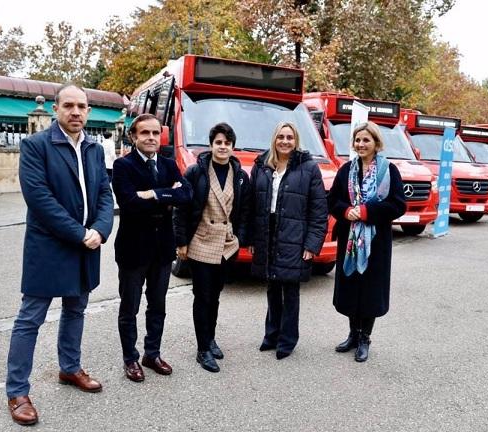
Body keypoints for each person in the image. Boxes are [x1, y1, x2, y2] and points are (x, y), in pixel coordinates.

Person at [6, 84, 114, 426]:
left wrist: (101, 228)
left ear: (89, 111)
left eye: (82, 106)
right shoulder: (36, 146)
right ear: (56, 109)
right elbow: (40, 199)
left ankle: (69, 369)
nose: (76, 112)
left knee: (76, 310)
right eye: (68, 105)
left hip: (87, 245)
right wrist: (81, 233)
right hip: (50, 247)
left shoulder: (95, 149)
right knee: (30, 319)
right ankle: (17, 391)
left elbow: (104, 195)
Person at [112, 114, 192, 382]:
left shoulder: (170, 165)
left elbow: (187, 195)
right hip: (133, 249)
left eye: (156, 133)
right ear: (134, 136)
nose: (151, 138)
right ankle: (130, 359)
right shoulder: (122, 166)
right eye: (144, 133)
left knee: (157, 305)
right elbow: (129, 203)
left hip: (162, 249)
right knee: (130, 307)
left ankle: (152, 353)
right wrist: (167, 194)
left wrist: (153, 194)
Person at [173, 122, 251, 373]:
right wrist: (181, 242)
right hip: (201, 241)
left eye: (227, 143)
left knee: (215, 295)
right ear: (211, 145)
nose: (222, 147)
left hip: (227, 244)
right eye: (218, 142)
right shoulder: (195, 172)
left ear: (232, 146)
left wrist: (240, 237)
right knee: (203, 296)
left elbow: (245, 210)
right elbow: (181, 209)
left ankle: (211, 338)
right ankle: (202, 349)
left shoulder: (240, 175)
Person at [327, 121, 406, 363]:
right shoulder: (346, 170)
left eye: (366, 140)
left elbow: (398, 205)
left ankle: (365, 338)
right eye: (358, 140)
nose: (361, 144)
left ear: (376, 143)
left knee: (370, 291)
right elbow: (332, 200)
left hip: (376, 243)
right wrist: (346, 210)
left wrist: (365, 212)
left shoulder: (388, 171)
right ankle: (352, 334)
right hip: (349, 241)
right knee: (351, 287)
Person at [249, 122, 327, 360]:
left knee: (290, 290)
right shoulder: (261, 166)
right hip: (268, 231)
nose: (285, 141)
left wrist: (312, 245)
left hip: (294, 235)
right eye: (281, 137)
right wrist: (253, 237)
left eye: (289, 137)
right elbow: (253, 206)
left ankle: (287, 340)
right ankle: (271, 335)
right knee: (272, 287)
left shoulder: (309, 168)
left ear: (296, 141)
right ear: (274, 139)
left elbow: (319, 211)